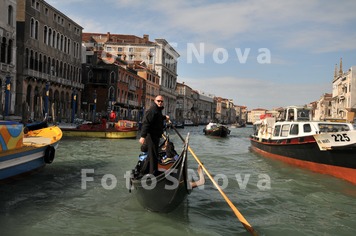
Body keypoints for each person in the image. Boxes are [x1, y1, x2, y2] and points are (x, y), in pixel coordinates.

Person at [139, 95, 170, 174]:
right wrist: (142, 136)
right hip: (151, 136)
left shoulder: (157, 110)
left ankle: (143, 171)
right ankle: (153, 173)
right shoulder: (152, 110)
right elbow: (146, 123)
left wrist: (164, 117)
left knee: (151, 155)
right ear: (155, 101)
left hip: (155, 136)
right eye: (158, 101)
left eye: (161, 101)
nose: (160, 102)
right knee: (154, 155)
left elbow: (158, 117)